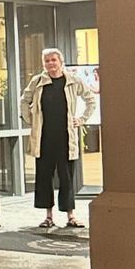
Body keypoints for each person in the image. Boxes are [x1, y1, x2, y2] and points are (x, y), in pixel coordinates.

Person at [19, 48, 96, 230]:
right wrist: (30, 120)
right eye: (47, 61)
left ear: (61, 62)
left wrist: (82, 119)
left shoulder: (73, 80)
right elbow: (24, 100)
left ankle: (70, 216)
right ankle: (48, 216)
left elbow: (90, 99)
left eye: (53, 60)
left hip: (66, 138)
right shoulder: (38, 81)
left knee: (66, 177)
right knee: (44, 177)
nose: (50, 63)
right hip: (44, 138)